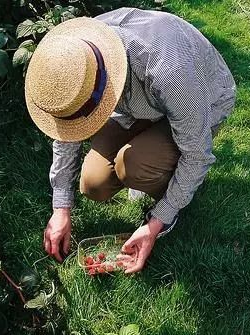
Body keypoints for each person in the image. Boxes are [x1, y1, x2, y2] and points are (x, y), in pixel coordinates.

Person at [24, 8, 236, 273]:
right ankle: (152, 161)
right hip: (140, 104)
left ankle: (169, 200)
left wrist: (156, 223)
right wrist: (60, 207)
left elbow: (197, 155)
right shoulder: (80, 54)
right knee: (94, 184)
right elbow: (68, 129)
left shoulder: (169, 73)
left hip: (202, 98)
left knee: (134, 165)